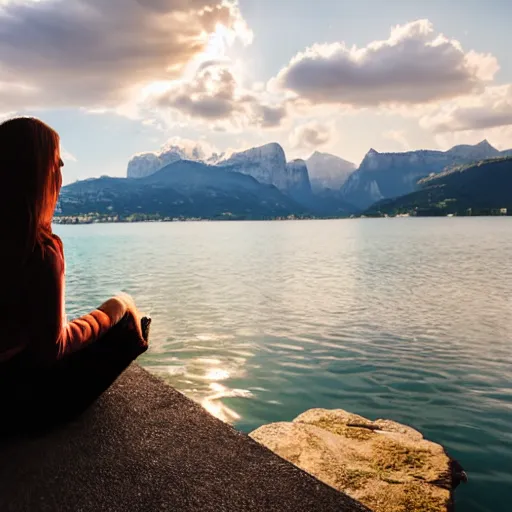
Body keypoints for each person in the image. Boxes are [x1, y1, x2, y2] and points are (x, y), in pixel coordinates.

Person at [0, 116, 146, 369]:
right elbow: (52, 347)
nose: (61, 172)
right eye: (56, 164)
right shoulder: (38, 252)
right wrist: (118, 306)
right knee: (123, 324)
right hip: (16, 394)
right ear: (39, 175)